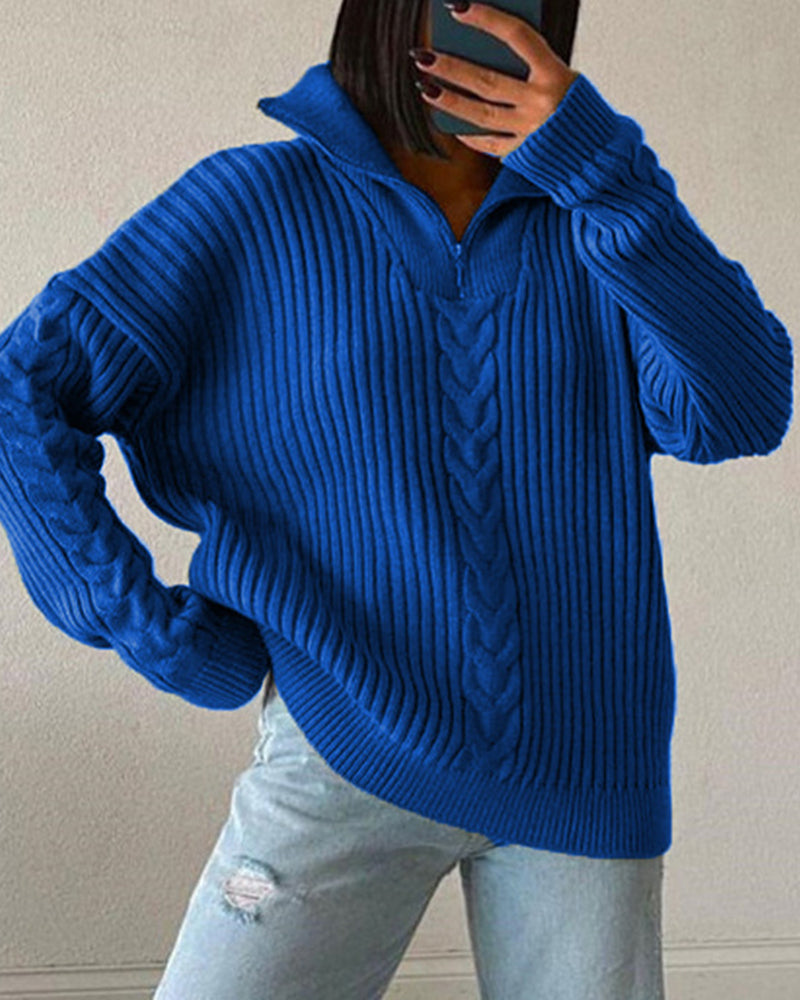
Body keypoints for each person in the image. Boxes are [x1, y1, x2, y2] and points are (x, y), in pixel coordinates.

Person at [0, 0, 792, 997]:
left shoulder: (596, 222)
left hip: (588, 768)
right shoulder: (252, 202)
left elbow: (739, 412)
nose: (493, 23)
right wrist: (147, 627)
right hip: (350, 741)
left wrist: (605, 172)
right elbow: (22, 389)